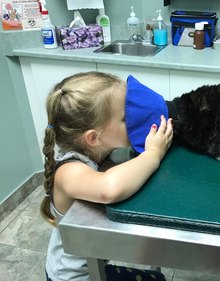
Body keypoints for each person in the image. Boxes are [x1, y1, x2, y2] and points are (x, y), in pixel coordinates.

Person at [40, 71, 173, 281]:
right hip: (73, 278)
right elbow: (109, 188)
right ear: (93, 137)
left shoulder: (99, 152)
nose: (132, 120)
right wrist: (153, 154)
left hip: (94, 264)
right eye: (124, 118)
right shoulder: (68, 172)